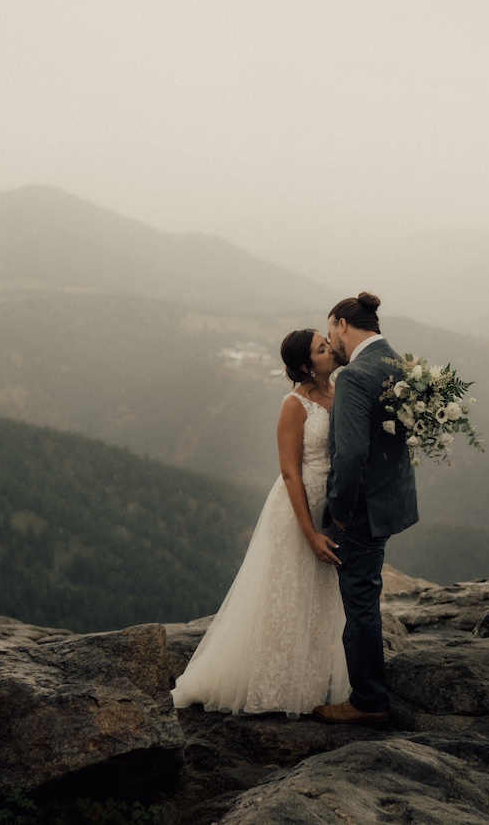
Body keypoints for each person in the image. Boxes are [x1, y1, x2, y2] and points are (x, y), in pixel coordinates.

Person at [169, 327, 351, 715]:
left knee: (317, 597)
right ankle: (272, 686)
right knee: (285, 596)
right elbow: (289, 473)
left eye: (328, 343)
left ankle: (309, 681)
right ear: (306, 364)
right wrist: (310, 534)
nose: (331, 350)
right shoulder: (294, 405)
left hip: (331, 508)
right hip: (297, 511)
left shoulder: (340, 392)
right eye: (322, 348)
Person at [313, 292, 419, 725]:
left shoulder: (355, 376)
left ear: (342, 324)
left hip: (360, 508)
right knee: (365, 596)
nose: (331, 346)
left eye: (330, 332)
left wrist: (339, 508)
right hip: (390, 499)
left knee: (359, 602)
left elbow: (353, 453)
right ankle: (369, 690)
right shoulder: (398, 363)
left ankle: (368, 700)